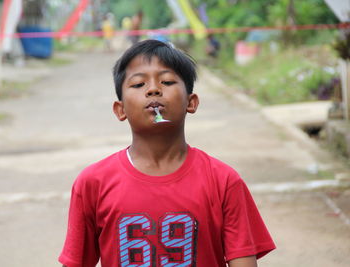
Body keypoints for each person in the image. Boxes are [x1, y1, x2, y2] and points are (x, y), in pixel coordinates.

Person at [59, 39, 276, 267]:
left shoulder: (223, 181)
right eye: (138, 84)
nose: (154, 89)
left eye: (167, 81)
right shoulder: (93, 183)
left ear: (191, 103)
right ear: (120, 110)